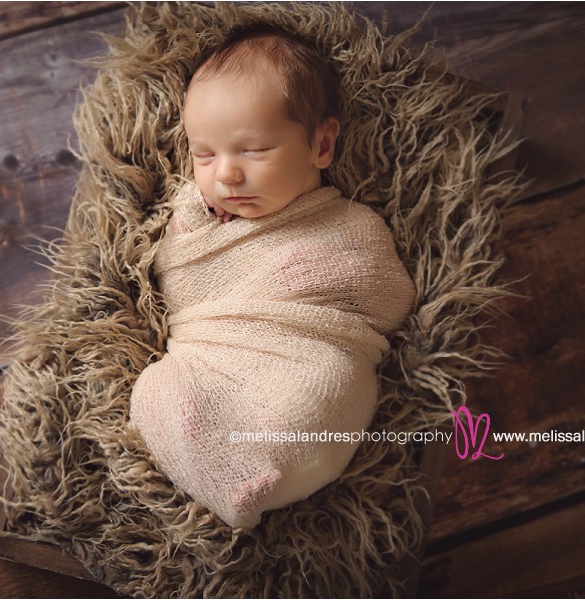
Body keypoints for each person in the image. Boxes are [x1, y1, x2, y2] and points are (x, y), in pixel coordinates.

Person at [128, 27, 416, 528]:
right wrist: (194, 219)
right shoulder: (200, 218)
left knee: (331, 383)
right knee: (153, 393)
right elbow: (178, 277)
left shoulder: (350, 225)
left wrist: (305, 277)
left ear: (322, 144)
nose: (226, 176)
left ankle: (258, 471)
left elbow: (390, 300)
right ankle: (229, 478)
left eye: (254, 151)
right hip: (212, 363)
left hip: (307, 365)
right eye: (205, 154)